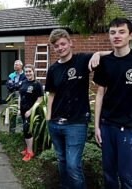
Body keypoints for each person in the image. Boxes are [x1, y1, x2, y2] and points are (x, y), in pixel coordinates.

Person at [45, 28, 110, 189]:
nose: (60, 48)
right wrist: (48, 119)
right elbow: (51, 95)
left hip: (76, 123)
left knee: (73, 165)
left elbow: (115, 54)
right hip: (55, 124)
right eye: (56, 46)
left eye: (63, 44)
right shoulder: (53, 69)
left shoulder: (82, 60)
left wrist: (98, 54)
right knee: (61, 160)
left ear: (70, 43)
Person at [93, 18, 132, 189]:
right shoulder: (105, 63)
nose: (116, 36)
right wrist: (97, 126)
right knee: (109, 175)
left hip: (130, 128)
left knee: (129, 178)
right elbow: (99, 95)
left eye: (121, 32)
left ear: (130, 35)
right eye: (113, 32)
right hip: (106, 126)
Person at [18, 64, 43, 161]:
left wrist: (30, 110)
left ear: (33, 72)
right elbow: (20, 96)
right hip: (23, 110)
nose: (28, 73)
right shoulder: (23, 83)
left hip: (31, 111)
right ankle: (27, 149)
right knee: (25, 130)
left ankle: (30, 152)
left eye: (30, 71)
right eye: (26, 71)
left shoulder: (37, 84)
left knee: (27, 130)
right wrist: (19, 109)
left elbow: (40, 99)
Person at [6, 60, 26, 133]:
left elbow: (23, 86)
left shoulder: (25, 75)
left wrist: (14, 85)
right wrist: (17, 85)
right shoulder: (11, 75)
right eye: (14, 64)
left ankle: (22, 132)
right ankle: (12, 132)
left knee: (22, 113)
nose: (15, 66)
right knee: (12, 113)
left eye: (17, 64)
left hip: (22, 96)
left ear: (21, 66)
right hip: (12, 96)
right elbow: (8, 86)